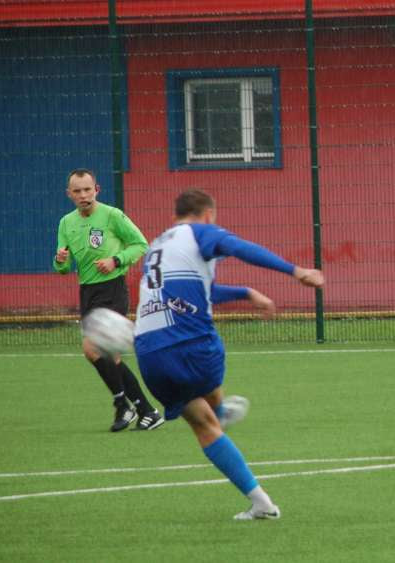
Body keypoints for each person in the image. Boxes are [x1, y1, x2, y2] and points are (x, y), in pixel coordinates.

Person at [133, 189, 324, 520]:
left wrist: (246, 293)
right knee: (206, 383)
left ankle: (261, 503)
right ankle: (221, 410)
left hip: (149, 355)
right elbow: (239, 248)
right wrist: (295, 271)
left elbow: (198, 291)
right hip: (192, 345)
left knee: (202, 425)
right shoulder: (201, 231)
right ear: (208, 214)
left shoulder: (155, 248)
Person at [54, 168, 164, 432]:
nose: (83, 195)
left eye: (87, 189)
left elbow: (140, 244)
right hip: (88, 292)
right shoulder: (66, 223)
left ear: (97, 190)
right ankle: (145, 410)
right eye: (77, 191)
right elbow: (63, 267)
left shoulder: (112, 215)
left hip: (113, 289)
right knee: (108, 356)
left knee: (93, 349)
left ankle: (123, 405)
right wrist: (60, 261)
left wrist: (116, 260)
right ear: (69, 194)